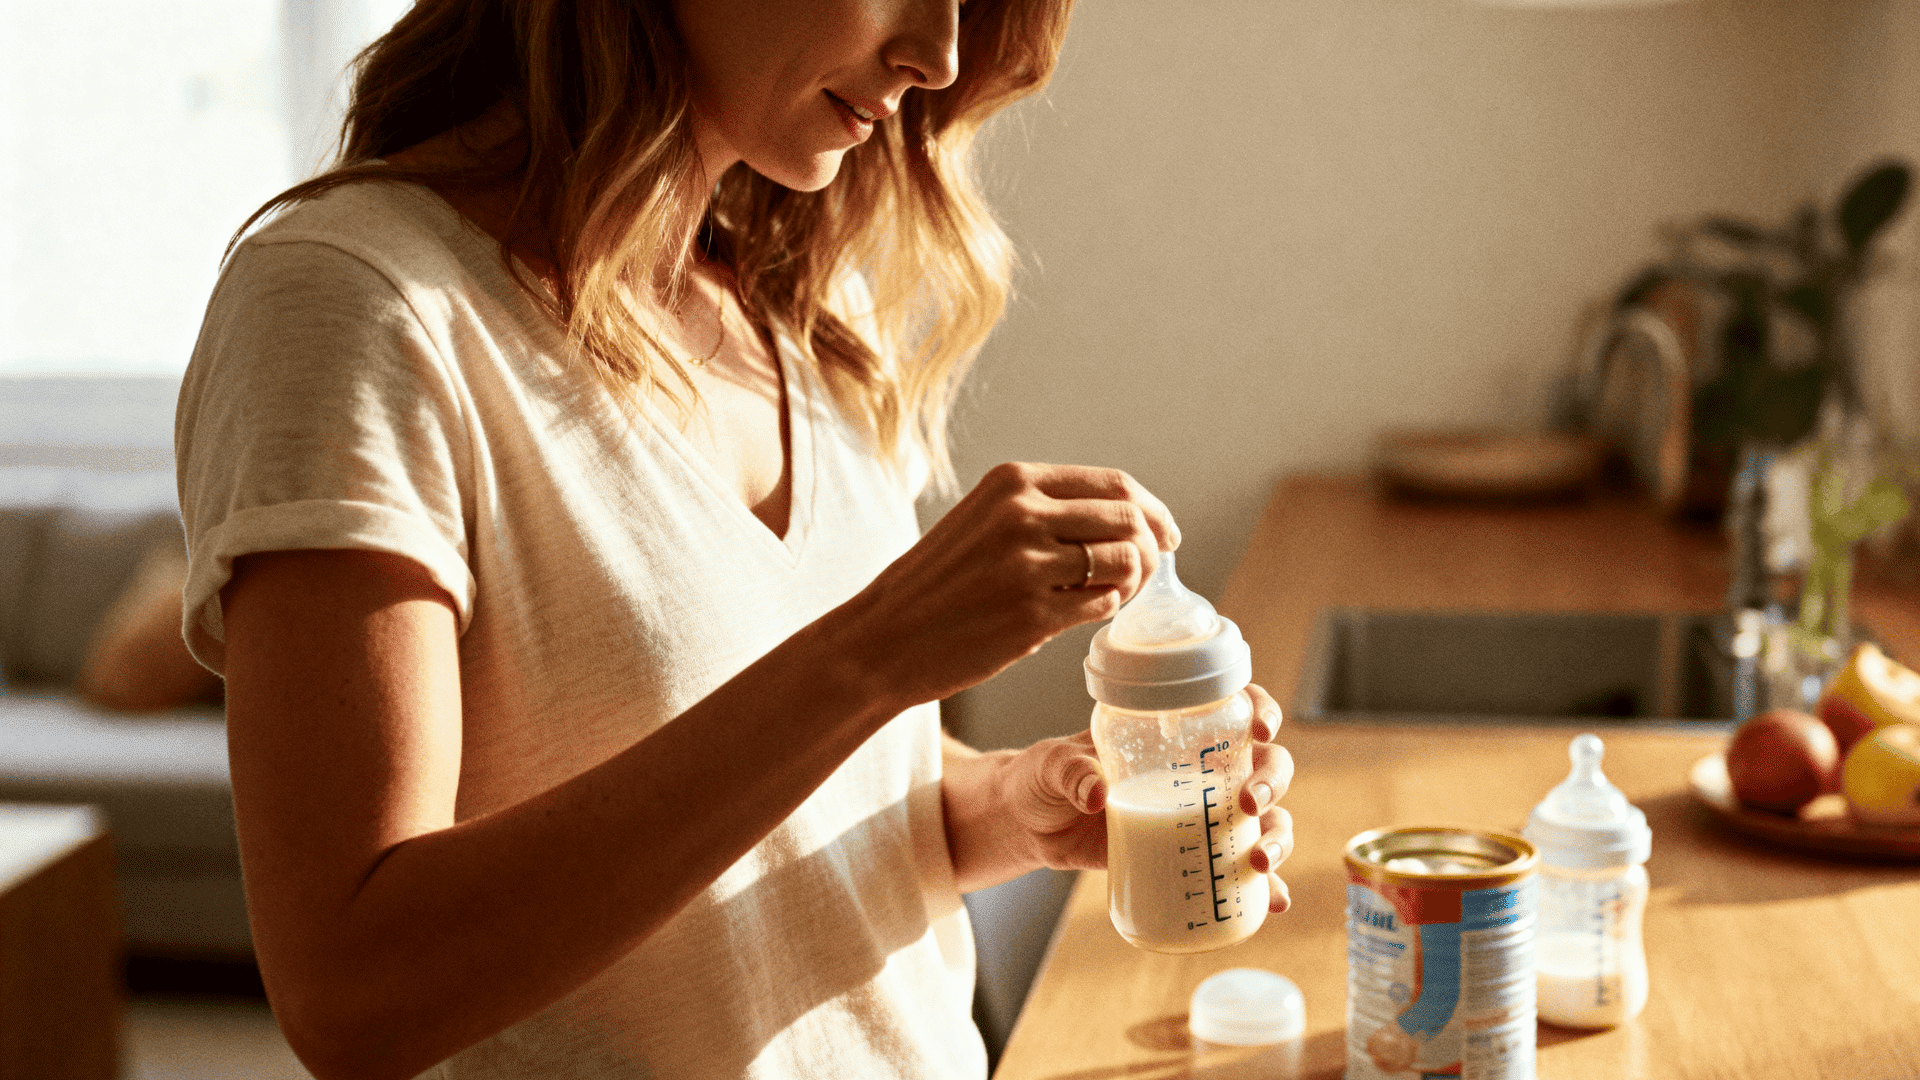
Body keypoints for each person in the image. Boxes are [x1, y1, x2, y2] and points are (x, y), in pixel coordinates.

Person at [174, 2, 1296, 1078]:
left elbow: (825, 800)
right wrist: (872, 656)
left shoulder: (801, 310)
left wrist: (1013, 808)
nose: (942, 54)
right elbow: (352, 995)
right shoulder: (361, 304)